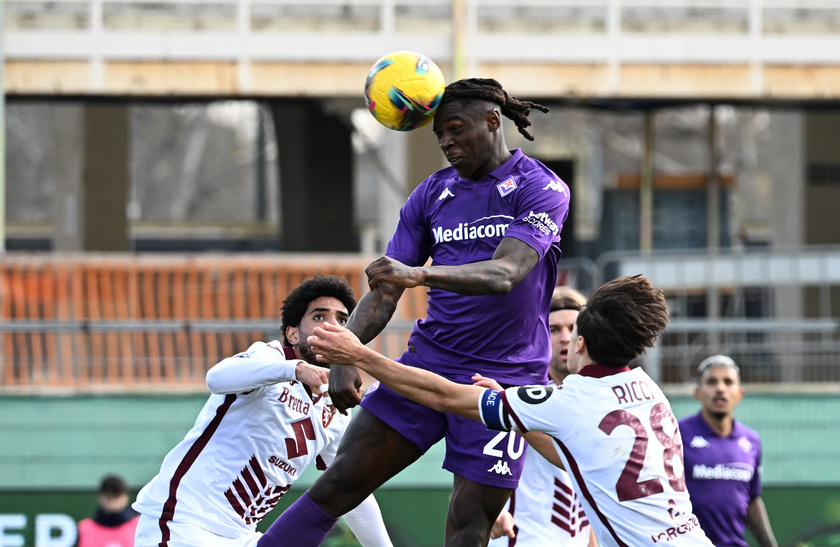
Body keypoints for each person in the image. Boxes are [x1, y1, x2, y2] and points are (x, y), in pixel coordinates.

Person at [259, 77, 568, 547]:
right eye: (438, 134)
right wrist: (348, 355)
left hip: (504, 382)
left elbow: (506, 273)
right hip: (427, 365)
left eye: (455, 129)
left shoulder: (540, 188)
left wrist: (419, 275)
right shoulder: (430, 194)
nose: (446, 142)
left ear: (492, 121)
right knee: (338, 485)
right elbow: (385, 289)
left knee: (469, 522)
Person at [306, 275, 715, 547]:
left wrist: (360, 354)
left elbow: (447, 396)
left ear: (580, 344)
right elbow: (572, 455)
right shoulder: (649, 390)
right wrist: (518, 415)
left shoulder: (569, 402)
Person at [132, 275, 392, 547]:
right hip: (184, 524)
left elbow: (349, 485)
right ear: (292, 334)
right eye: (319, 317)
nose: (332, 326)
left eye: (342, 320)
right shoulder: (271, 358)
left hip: (240, 536)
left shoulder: (335, 408)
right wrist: (295, 369)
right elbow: (216, 377)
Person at [489, 286, 597, 547]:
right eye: (553, 329)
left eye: (573, 329)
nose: (565, 338)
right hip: (523, 538)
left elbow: (589, 490)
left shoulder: (599, 399)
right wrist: (491, 512)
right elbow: (473, 470)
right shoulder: (515, 396)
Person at [678, 355, 778, 547]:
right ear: (698, 393)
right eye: (712, 381)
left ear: (739, 394)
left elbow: (752, 501)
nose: (720, 388)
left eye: (728, 382)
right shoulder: (678, 434)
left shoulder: (752, 441)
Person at [77, 474, 140, 547]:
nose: (112, 501)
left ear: (126, 497)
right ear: (100, 497)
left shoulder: (140, 526)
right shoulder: (83, 529)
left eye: (117, 496)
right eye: (108, 496)